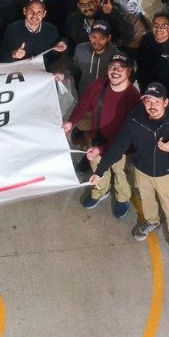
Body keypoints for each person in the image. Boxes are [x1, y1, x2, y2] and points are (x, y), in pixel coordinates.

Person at [87, 84, 169, 266]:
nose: (152, 105)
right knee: (146, 200)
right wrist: (100, 171)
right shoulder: (135, 118)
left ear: (165, 102)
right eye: (148, 100)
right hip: (141, 171)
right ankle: (151, 221)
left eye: (157, 101)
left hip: (167, 175)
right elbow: (119, 145)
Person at [67, 53, 141, 219]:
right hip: (97, 139)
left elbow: (126, 136)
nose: (115, 70)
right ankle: (100, 191)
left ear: (129, 72)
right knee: (98, 169)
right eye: (112, 67)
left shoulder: (134, 98)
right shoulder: (97, 86)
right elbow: (83, 106)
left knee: (121, 173)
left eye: (121, 68)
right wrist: (71, 122)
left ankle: (122, 197)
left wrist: (101, 149)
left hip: (122, 148)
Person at [135, 9, 169, 96]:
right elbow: (139, 59)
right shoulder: (147, 38)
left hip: (168, 89)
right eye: (156, 24)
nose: (158, 28)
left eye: (164, 25)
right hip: (147, 86)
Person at [0, 0, 67, 64]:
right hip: (19, 68)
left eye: (39, 12)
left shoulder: (51, 30)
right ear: (24, 11)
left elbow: (57, 55)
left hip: (44, 68)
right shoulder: (12, 29)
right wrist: (14, 54)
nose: (34, 15)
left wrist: (62, 47)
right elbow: (2, 56)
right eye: (31, 11)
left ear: (44, 13)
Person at [72, 21, 118, 91]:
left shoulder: (115, 55)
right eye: (94, 37)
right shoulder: (80, 49)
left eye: (102, 38)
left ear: (109, 38)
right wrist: (64, 72)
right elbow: (74, 68)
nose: (97, 41)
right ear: (89, 36)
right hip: (84, 92)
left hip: (105, 93)